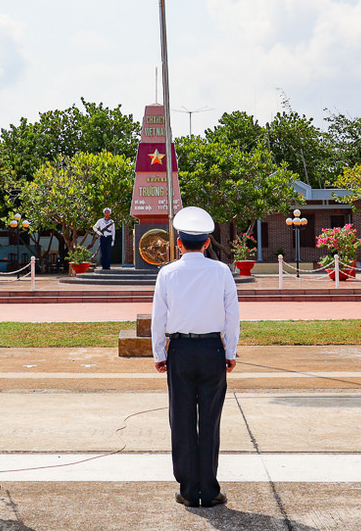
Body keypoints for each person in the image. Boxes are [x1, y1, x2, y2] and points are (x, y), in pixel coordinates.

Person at [151, 206, 240, 508]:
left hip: (180, 351)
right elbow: (232, 316)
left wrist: (159, 353)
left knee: (182, 419)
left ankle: (189, 490)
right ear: (206, 243)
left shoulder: (167, 272)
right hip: (212, 350)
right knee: (210, 421)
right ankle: (209, 488)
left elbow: (158, 318)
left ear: (178, 242)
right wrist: (229, 351)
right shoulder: (221, 271)